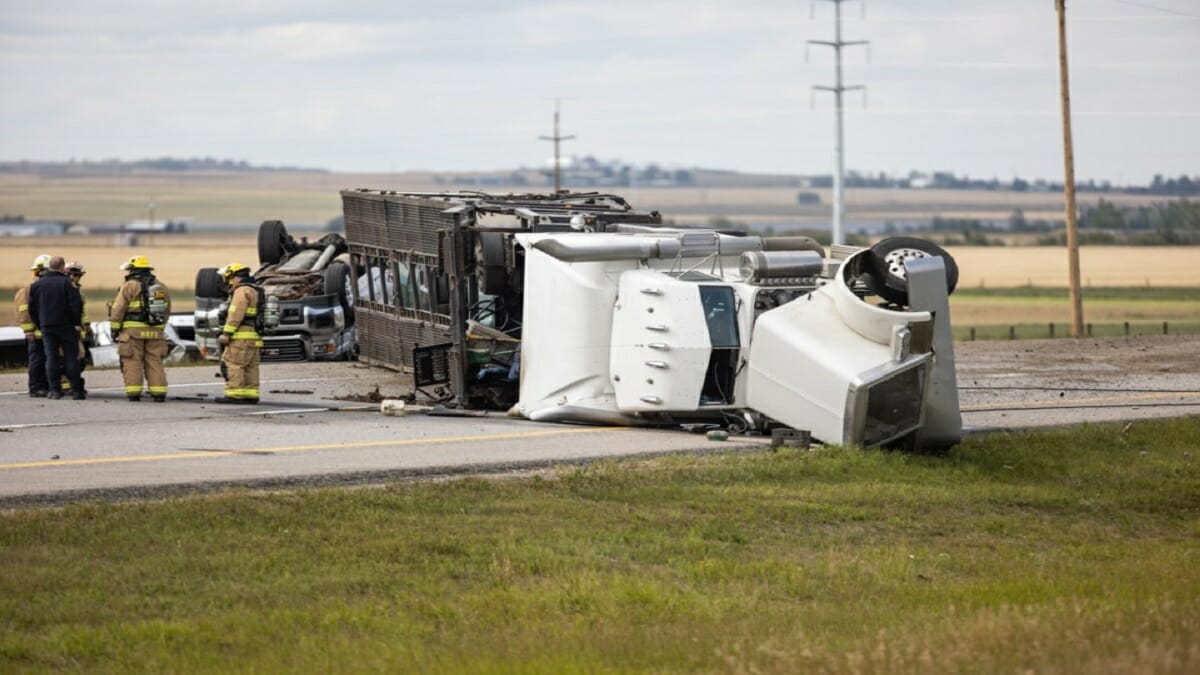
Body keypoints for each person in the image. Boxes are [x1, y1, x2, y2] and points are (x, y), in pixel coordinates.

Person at [109, 255, 171, 402]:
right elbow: (167, 311)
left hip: (132, 333)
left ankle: (134, 392)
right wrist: (160, 328)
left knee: (132, 361)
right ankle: (159, 393)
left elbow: (118, 309)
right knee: (154, 361)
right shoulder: (161, 286)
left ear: (133, 270)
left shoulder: (129, 286)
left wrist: (114, 329)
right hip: (155, 332)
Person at [26, 256, 85, 400]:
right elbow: (75, 305)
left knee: (51, 358)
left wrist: (40, 324)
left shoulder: (37, 285)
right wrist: (76, 323)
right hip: (66, 326)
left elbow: (32, 308)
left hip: (47, 327)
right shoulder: (68, 283)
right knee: (71, 357)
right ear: (62, 267)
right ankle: (77, 391)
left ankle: (54, 391)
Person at [215, 263, 262, 404]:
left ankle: (235, 394)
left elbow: (236, 314)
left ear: (235, 277)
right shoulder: (255, 290)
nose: (229, 282)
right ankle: (251, 394)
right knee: (250, 366)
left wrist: (227, 333)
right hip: (253, 335)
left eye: (229, 279)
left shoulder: (241, 291)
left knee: (233, 363)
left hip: (240, 334)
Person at [15, 254, 51, 397]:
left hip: (48, 333)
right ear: (39, 272)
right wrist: (29, 331)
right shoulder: (27, 290)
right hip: (35, 334)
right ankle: (36, 387)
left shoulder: (46, 289)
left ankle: (46, 386)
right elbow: (23, 312)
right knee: (37, 360)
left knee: (48, 360)